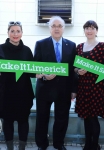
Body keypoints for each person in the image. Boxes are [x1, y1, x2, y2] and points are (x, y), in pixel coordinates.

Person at [34, 16, 77, 150]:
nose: (57, 28)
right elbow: (36, 66)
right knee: (42, 118)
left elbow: (72, 70)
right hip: (44, 88)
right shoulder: (40, 44)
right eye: (54, 26)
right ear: (49, 28)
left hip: (64, 90)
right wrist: (45, 76)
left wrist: (74, 90)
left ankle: (59, 143)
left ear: (64, 28)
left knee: (62, 119)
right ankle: (42, 144)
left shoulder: (71, 45)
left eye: (59, 26)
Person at [74, 20, 104, 150]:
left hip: (96, 87)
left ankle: (95, 145)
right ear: (84, 30)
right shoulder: (79, 47)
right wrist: (78, 71)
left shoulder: (103, 46)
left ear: (96, 30)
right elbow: (74, 67)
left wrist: (92, 69)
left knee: (93, 118)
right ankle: (87, 144)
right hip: (82, 87)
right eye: (87, 28)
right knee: (86, 118)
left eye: (92, 28)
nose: (89, 31)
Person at [0, 21, 34, 150]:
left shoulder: (27, 50)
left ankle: (22, 147)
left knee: (23, 121)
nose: (15, 34)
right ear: (8, 33)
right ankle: (9, 148)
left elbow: (32, 71)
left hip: (23, 93)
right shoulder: (0, 48)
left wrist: (45, 74)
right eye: (12, 31)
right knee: (7, 121)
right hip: (5, 93)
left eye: (18, 31)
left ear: (22, 33)